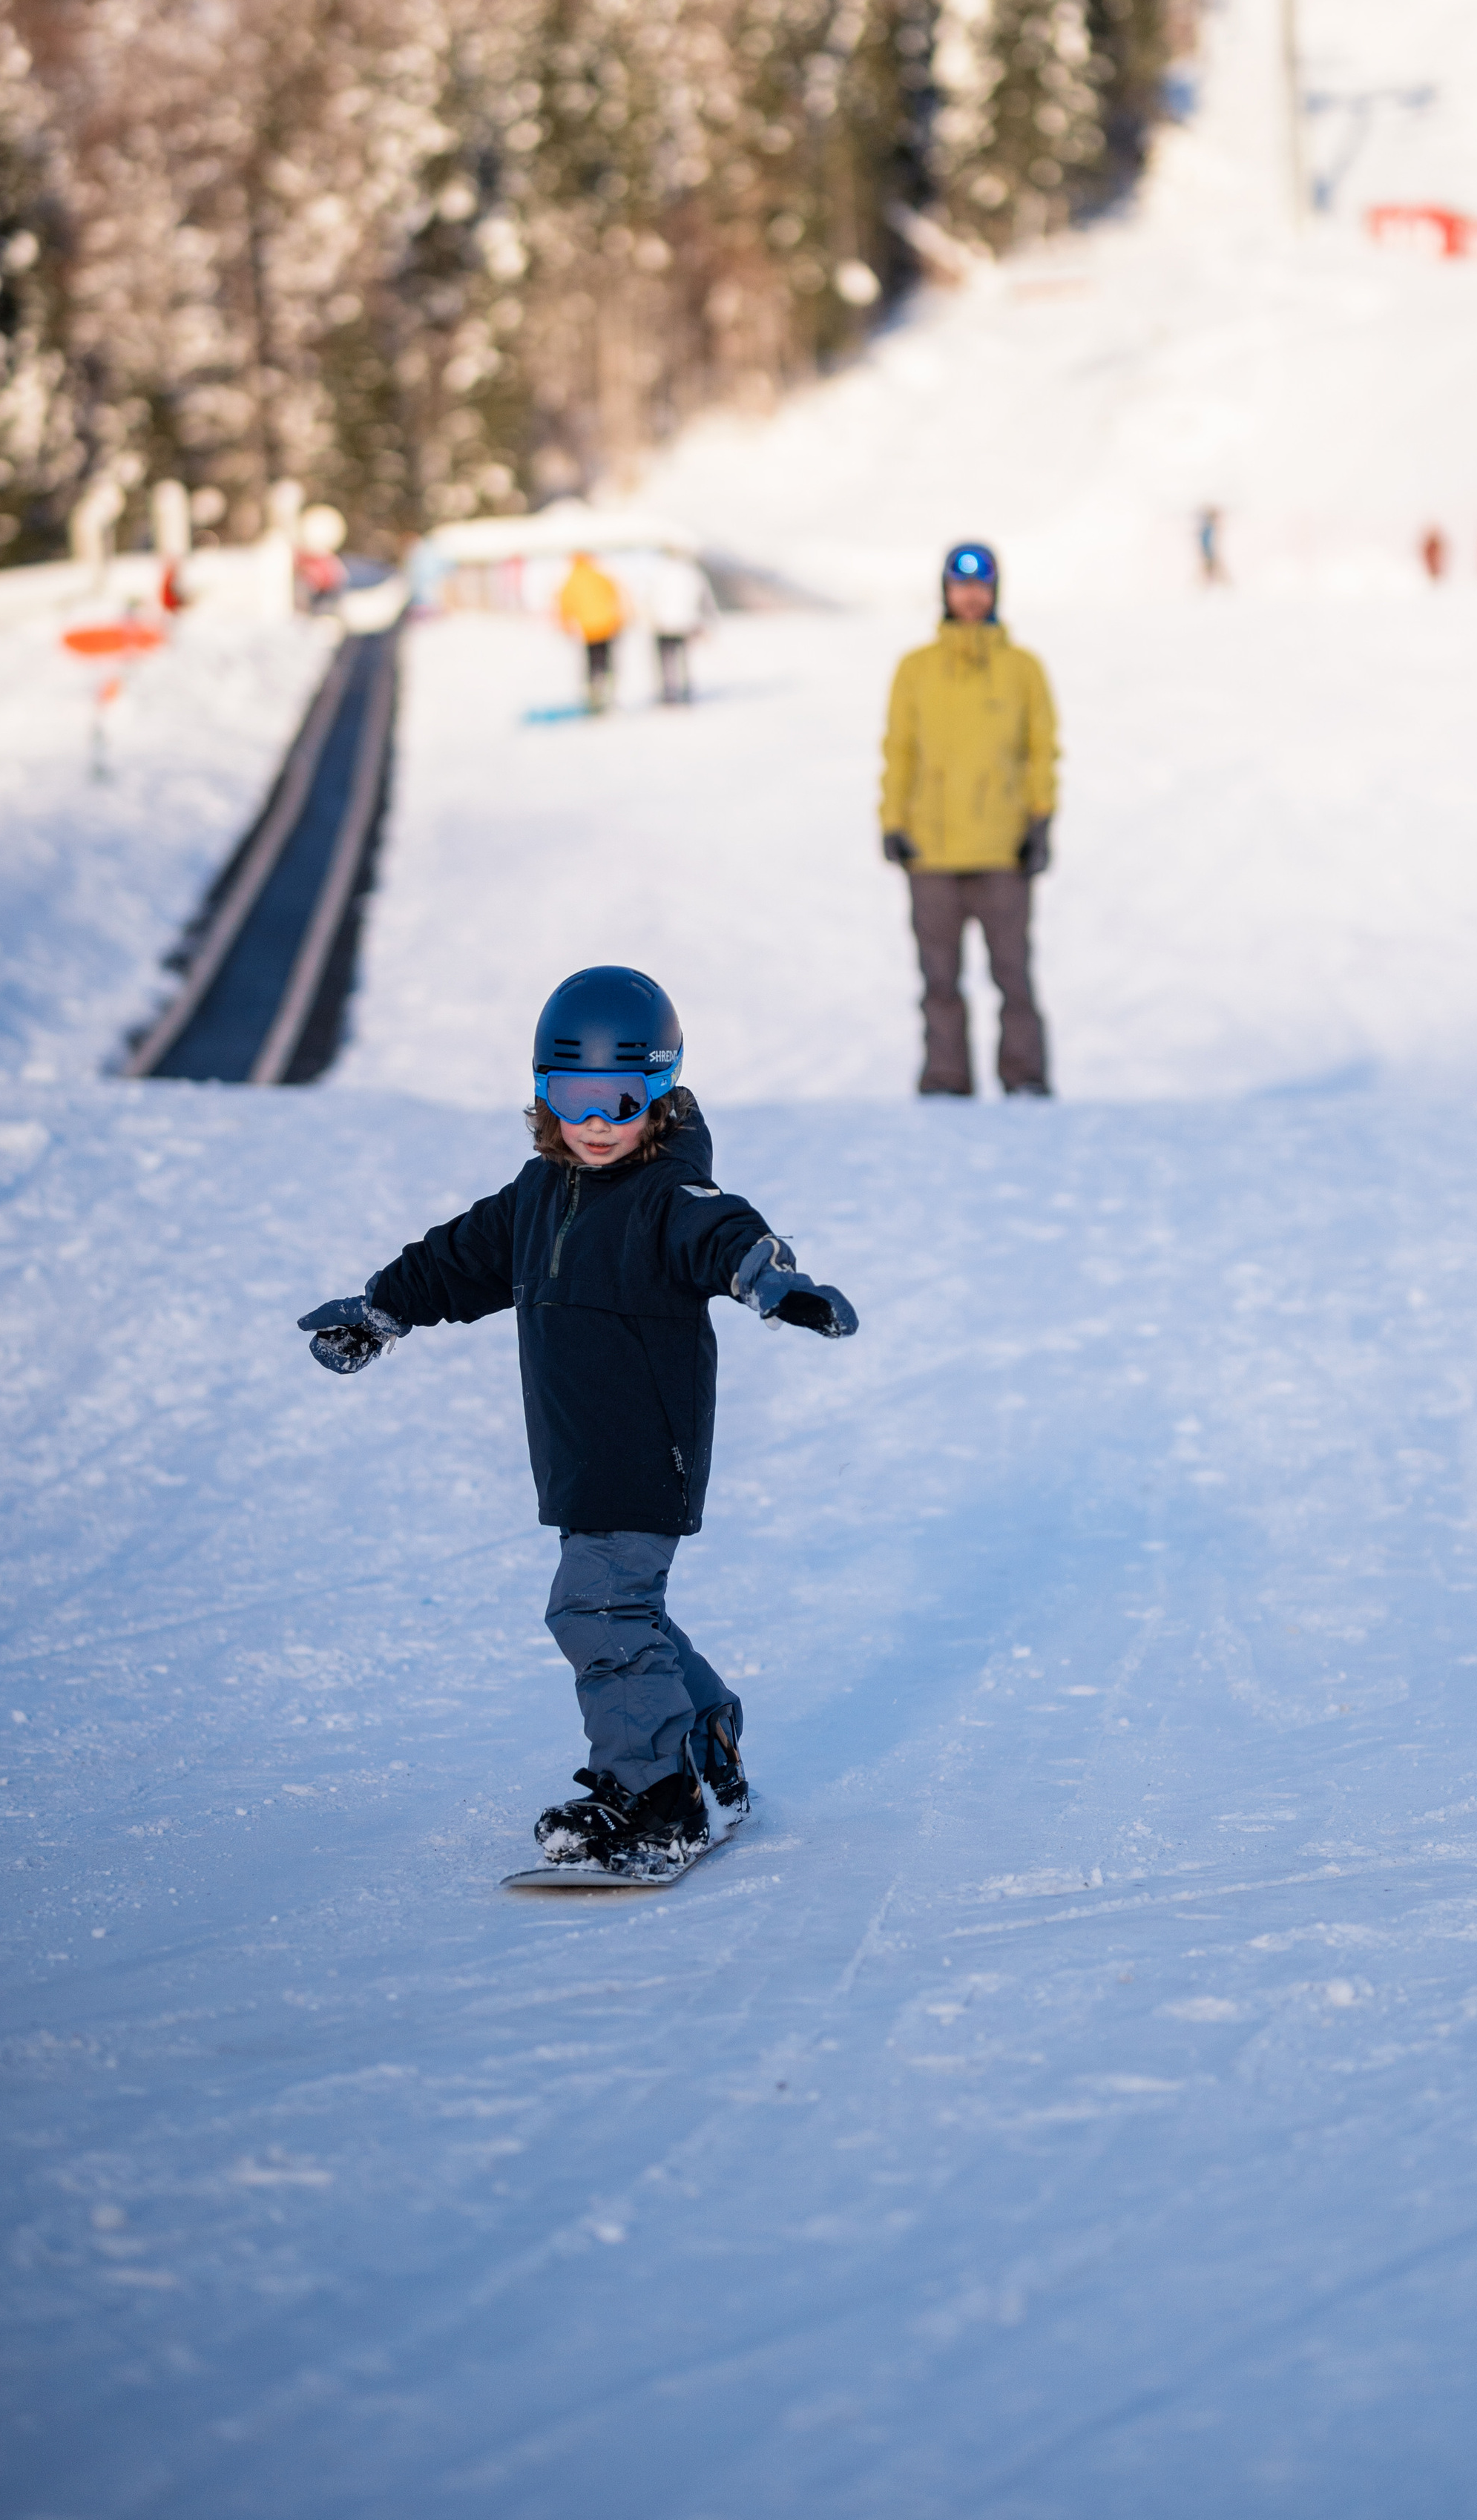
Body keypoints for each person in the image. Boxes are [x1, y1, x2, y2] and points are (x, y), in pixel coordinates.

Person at [295, 966, 859, 1880]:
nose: (595, 1123)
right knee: (628, 1609)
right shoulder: (537, 1195)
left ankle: (655, 1796)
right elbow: (455, 1259)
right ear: (541, 1095)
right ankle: (703, 1738)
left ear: (662, 1096)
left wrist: (776, 1288)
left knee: (594, 1607)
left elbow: (730, 1238)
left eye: (621, 1098)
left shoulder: (670, 1197)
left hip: (646, 1450)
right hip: (576, 1458)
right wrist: (380, 1310)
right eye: (571, 1097)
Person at [880, 541, 1059, 1099]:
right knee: (939, 982)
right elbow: (899, 750)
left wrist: (1040, 822)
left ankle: (1025, 1080)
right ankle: (945, 1082)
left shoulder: (1022, 668)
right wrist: (892, 821)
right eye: (961, 585)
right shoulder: (916, 669)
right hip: (931, 852)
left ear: (995, 591)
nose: (971, 596)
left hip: (1002, 850)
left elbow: (1041, 750)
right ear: (945, 591)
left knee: (1013, 977)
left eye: (982, 585)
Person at [557, 550, 625, 711]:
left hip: (588, 628)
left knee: (592, 663)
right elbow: (614, 592)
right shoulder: (598, 574)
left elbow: (564, 603)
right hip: (607, 625)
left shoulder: (571, 579)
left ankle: (594, 696)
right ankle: (608, 694)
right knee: (607, 661)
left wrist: (565, 624)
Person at [648, 551, 715, 705]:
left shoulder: (660, 572)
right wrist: (708, 622)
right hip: (687, 622)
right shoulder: (692, 574)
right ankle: (686, 691)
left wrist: (652, 618)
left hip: (664, 623)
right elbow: (705, 598)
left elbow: (652, 597)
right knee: (684, 658)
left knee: (666, 660)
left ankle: (669, 693)